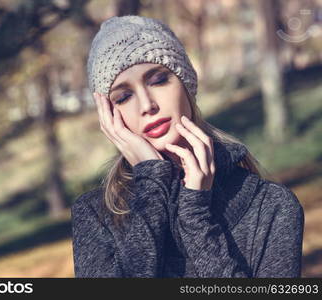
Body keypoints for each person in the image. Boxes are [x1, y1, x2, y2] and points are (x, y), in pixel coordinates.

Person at [71, 15, 304, 278]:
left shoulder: (270, 205)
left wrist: (195, 215)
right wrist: (151, 181)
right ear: (109, 117)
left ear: (186, 84)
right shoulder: (96, 216)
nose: (147, 105)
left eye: (158, 80)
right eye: (124, 97)